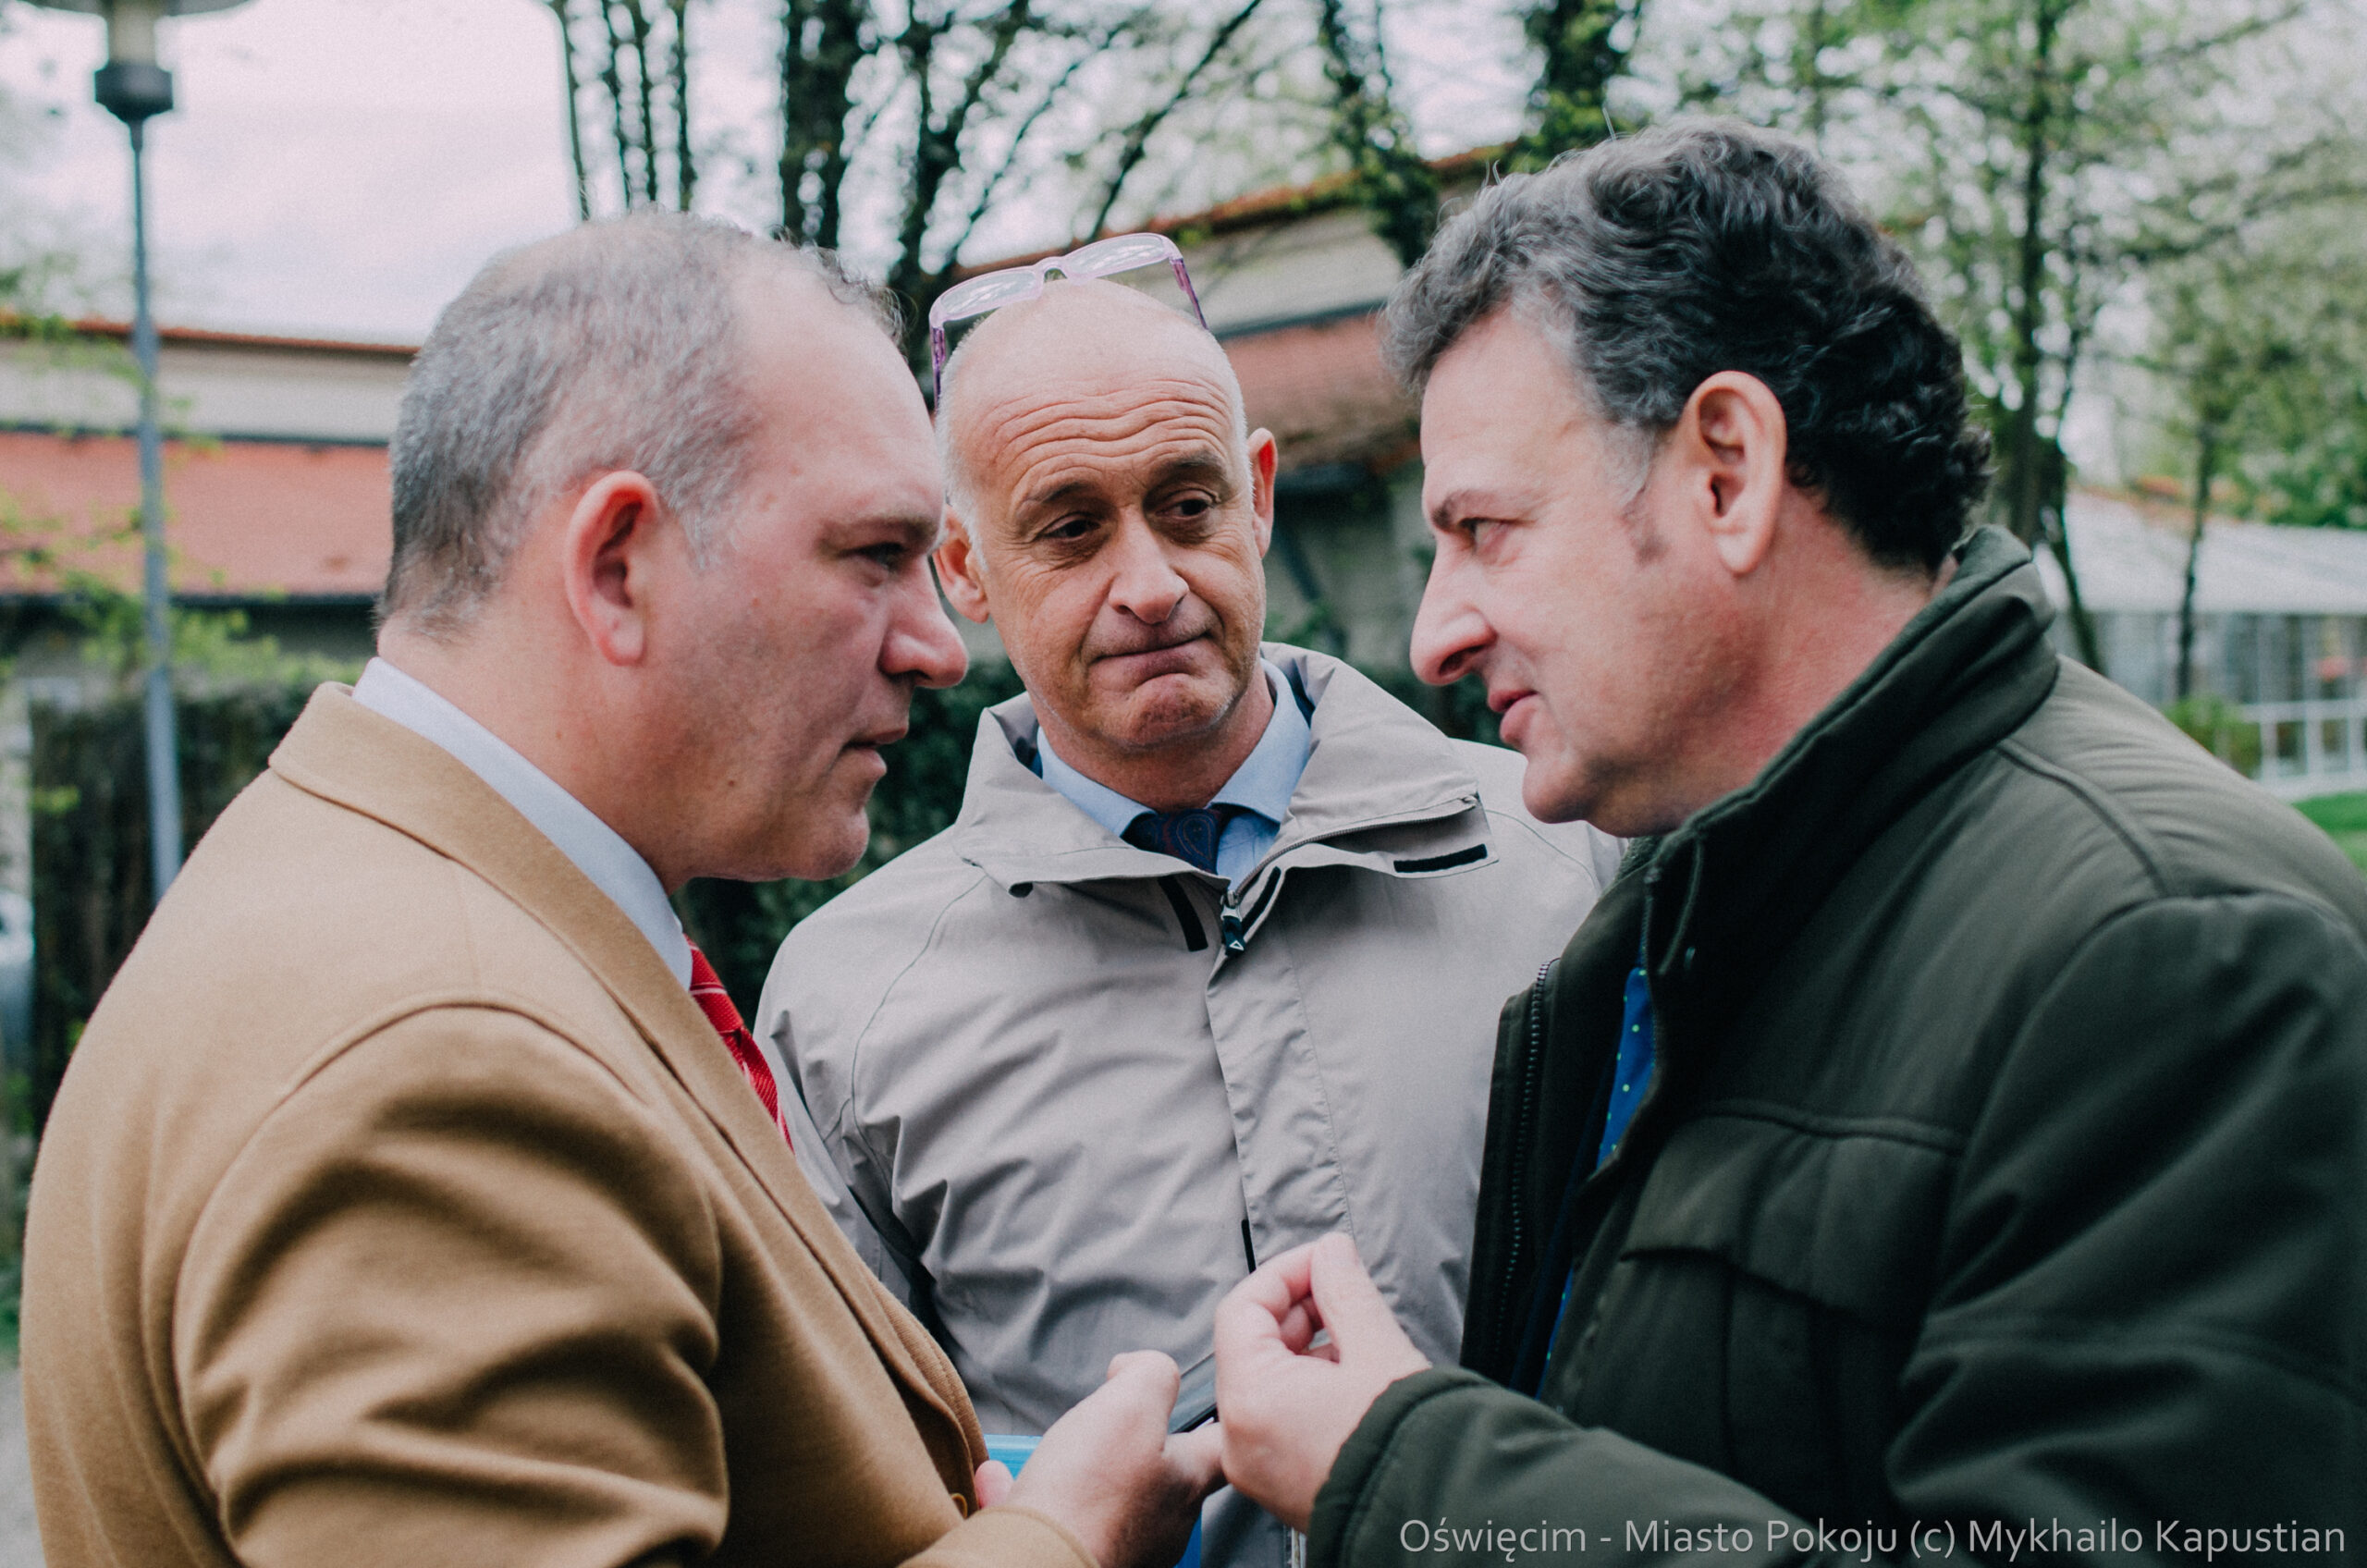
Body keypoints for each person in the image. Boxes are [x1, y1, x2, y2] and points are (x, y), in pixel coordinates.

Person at [1210, 121, 2367, 1558]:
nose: (1437, 633)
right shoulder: (1692, 896)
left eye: (1486, 529)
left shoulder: (2184, 955)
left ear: (1727, 472)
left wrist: (1407, 1476)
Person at [21, 214, 1220, 1568]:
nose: (939, 648)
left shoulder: (361, 897)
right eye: (877, 556)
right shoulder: (445, 1062)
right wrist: (1064, 1541)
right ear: (617, 568)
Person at [755, 277, 1623, 1568]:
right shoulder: (843, 1007)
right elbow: (854, 1497)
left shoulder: (1572, 856)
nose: (1151, 585)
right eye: (1069, 530)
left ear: (1258, 496)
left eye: (1188, 505)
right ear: (964, 567)